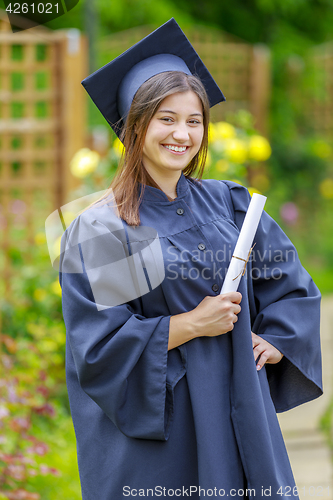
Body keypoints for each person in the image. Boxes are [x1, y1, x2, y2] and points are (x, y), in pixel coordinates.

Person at [60, 18, 322, 500]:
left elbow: (289, 282)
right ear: (134, 125)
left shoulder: (230, 204)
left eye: (194, 120)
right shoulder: (107, 228)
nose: (182, 134)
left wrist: (281, 339)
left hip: (240, 402)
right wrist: (194, 324)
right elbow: (102, 346)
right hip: (167, 422)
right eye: (166, 119)